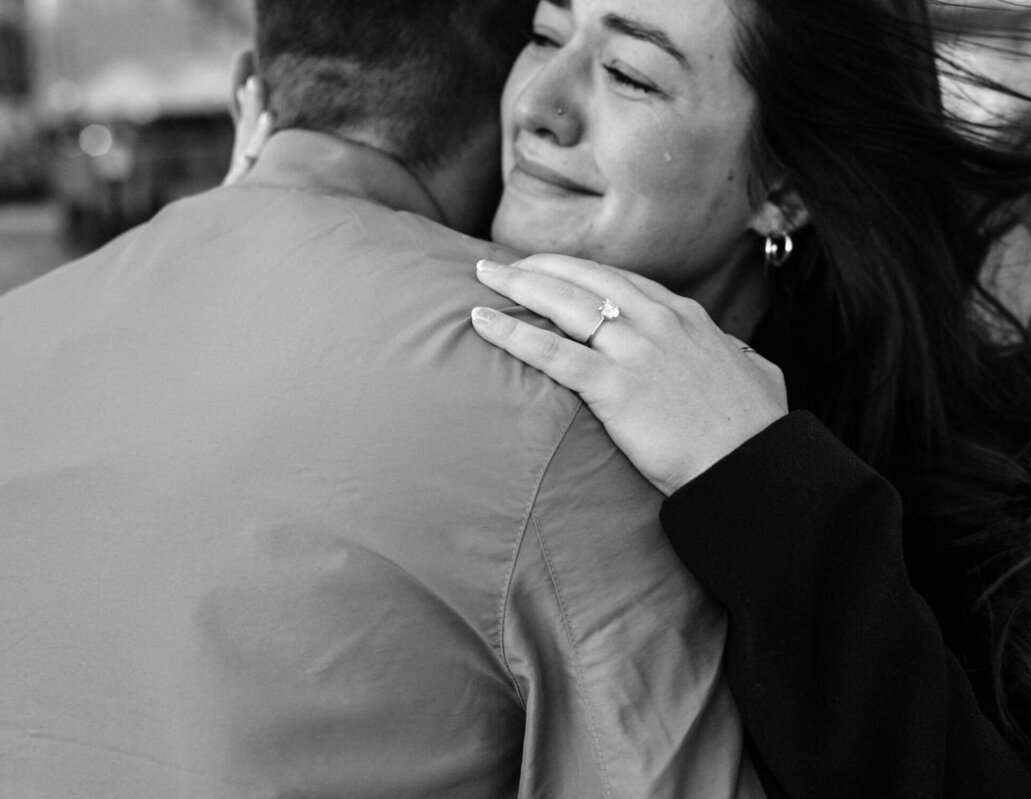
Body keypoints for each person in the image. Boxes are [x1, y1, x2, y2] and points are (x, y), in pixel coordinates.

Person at [223, 0, 1031, 796]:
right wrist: (257, 226)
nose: (541, 107)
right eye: (550, 33)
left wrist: (757, 476)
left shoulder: (830, 490)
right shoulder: (396, 298)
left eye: (633, 76)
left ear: (781, 183)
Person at [0, 1, 764, 796]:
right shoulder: (567, 406)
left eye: (627, 74)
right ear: (502, 91)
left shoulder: (15, 332)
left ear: (245, 92)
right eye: (545, 38)